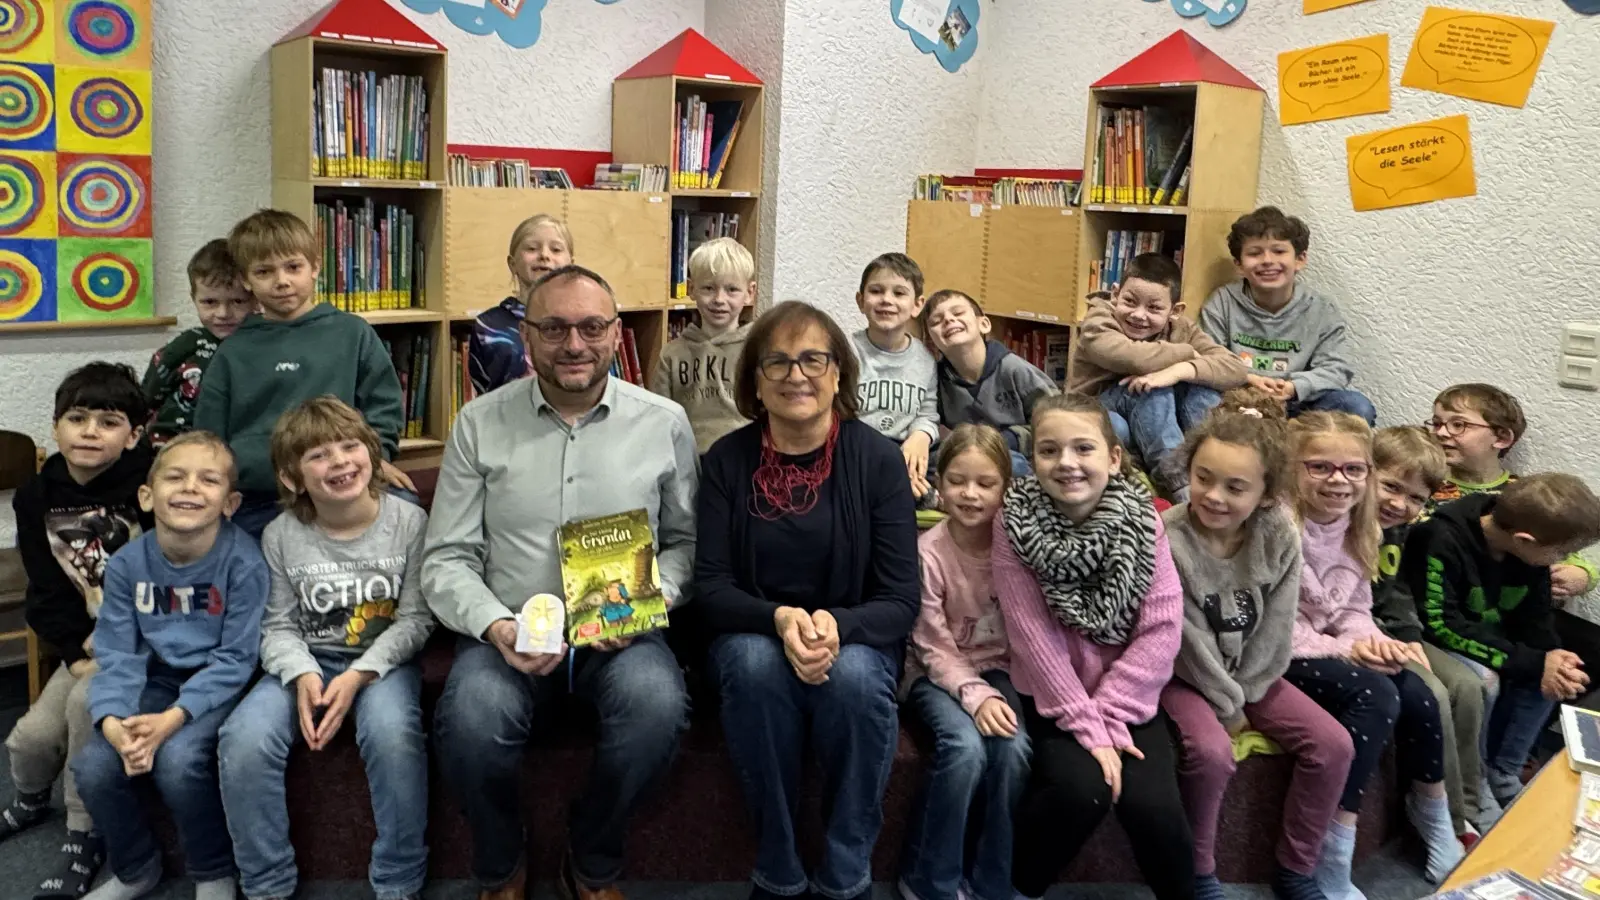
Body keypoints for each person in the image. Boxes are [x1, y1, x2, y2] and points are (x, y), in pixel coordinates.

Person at [423, 264, 698, 900]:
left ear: (617, 333)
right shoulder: (478, 423)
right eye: (553, 328)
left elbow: (687, 545)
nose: (574, 344)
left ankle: (592, 854)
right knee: (469, 720)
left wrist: (645, 603)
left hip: (622, 635)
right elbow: (446, 557)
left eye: (592, 327)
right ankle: (502, 862)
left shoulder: (664, 423)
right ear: (526, 334)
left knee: (657, 707)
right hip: (509, 631)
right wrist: (495, 625)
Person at [694, 300, 919, 900]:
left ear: (839, 373)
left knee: (855, 680)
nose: (797, 375)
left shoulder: (878, 461)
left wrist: (835, 626)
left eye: (813, 359)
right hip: (752, 633)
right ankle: (778, 868)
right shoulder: (725, 461)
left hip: (856, 635)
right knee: (753, 666)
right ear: (755, 382)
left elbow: (901, 599)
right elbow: (711, 588)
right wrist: (779, 618)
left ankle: (846, 874)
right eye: (778, 362)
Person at [218, 397, 434, 900]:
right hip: (305, 663)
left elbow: (417, 619)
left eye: (349, 446)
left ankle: (399, 880)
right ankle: (266, 884)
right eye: (318, 455)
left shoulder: (409, 523)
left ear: (371, 453)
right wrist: (302, 674)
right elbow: (276, 625)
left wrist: (360, 674)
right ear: (292, 477)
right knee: (242, 739)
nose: (339, 461)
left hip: (383, 664)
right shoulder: (279, 535)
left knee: (393, 733)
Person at [990, 392, 1193, 900]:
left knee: (1155, 809)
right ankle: (1017, 886)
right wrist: (1087, 726)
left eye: (1083, 448)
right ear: (1033, 459)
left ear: (1114, 458)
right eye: (1049, 450)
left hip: (1128, 696)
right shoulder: (1013, 523)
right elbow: (1033, 638)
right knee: (1080, 792)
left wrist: (1110, 715)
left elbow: (1162, 627)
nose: (1067, 463)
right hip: (1055, 696)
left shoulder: (1146, 522)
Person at [1157, 389, 1350, 900]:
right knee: (1211, 753)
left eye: (1235, 487)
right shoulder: (1168, 537)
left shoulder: (1278, 533)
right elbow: (1185, 639)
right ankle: (1198, 871)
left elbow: (1277, 626)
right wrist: (1228, 705)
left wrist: (1249, 690)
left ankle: (1296, 868)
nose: (1213, 496)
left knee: (1333, 745)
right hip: (1184, 678)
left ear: (1266, 494)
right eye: (1203, 478)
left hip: (1253, 674)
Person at [71, 432, 268, 900]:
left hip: (221, 681)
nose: (190, 488)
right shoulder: (126, 565)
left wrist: (173, 720)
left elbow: (237, 658)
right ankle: (136, 868)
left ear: (230, 503)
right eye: (175, 477)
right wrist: (113, 719)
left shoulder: (244, 562)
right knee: (94, 766)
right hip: (157, 677)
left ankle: (213, 871)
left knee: (179, 762)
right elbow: (117, 653)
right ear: (147, 495)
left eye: (209, 480)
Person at [1283, 413, 1461, 898]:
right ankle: (1335, 842)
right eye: (1320, 467)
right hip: (1279, 653)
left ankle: (1432, 811)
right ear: (1291, 467)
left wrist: (1372, 641)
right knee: (1377, 695)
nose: (1338, 481)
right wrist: (1353, 650)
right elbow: (1273, 628)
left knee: (1419, 693)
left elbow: (1355, 609)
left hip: (1329, 645)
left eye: (1353, 469)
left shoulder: (1360, 525)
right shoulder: (1278, 525)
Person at [5, 362, 152, 899]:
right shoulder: (35, 496)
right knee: (30, 739)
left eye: (109, 422)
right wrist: (73, 651)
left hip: (143, 643)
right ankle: (29, 801)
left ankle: (83, 832)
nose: (90, 432)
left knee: (83, 708)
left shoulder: (150, 484)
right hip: (84, 645)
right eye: (77, 418)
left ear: (134, 435)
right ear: (56, 426)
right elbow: (44, 589)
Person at [194, 208, 410, 540]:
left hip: (343, 483)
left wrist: (377, 456)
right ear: (246, 280)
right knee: (224, 543)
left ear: (315, 268)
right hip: (261, 496)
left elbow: (384, 406)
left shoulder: (352, 333)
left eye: (293, 267)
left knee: (407, 509)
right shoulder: (233, 351)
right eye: (264, 271)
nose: (282, 281)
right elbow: (209, 434)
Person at [1405, 474, 1600, 810]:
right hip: (1437, 636)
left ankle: (1505, 771)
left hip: (1489, 633)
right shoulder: (1439, 537)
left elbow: (1536, 617)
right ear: (1525, 540)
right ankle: (1477, 776)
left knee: (1557, 665)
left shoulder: (1529, 553)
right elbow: (1441, 625)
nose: (1562, 559)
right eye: (1563, 552)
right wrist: (1534, 662)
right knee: (1487, 681)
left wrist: (1552, 658)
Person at [899, 424, 1029, 900]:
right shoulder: (927, 553)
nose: (970, 494)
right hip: (931, 674)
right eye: (957, 480)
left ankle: (991, 881)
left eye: (985, 483)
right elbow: (931, 645)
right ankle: (927, 879)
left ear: (1005, 488)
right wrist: (976, 696)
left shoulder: (1015, 548)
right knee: (963, 749)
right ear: (938, 482)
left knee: (1013, 749)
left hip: (997, 670)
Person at [1370, 426, 1488, 843]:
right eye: (1390, 487)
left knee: (1469, 686)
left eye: (1416, 498)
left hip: (1393, 629)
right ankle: (1448, 822)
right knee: (1433, 692)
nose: (1399, 504)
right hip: (1360, 637)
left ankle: (1471, 803)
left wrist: (1409, 635)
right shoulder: (1340, 522)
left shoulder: (1398, 529)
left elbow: (1397, 589)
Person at [1068, 253, 1247, 501]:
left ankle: (1222, 467)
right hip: (1096, 410)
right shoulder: (1098, 321)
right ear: (1115, 294)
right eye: (1130, 301)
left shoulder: (1182, 328)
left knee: (1201, 390)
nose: (1139, 315)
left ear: (1175, 310)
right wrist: (1187, 354)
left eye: (1153, 308)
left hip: (1152, 421)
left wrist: (1178, 371)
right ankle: (1180, 487)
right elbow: (1134, 358)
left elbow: (1235, 368)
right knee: (1147, 388)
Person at [1199, 207, 1375, 425]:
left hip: (1297, 403)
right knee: (1198, 398)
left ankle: (1295, 440)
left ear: (1300, 259)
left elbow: (1336, 368)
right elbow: (1209, 359)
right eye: (1255, 253)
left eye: (1279, 251)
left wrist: (1294, 387)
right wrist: (1248, 380)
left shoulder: (1321, 310)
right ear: (1239, 265)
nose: (1267, 260)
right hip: (1239, 400)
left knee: (1356, 406)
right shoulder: (1221, 303)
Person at [1423, 383, 1596, 598]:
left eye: (1458, 424)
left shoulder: (1523, 492)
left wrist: (1583, 574)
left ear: (1501, 438)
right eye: (1437, 423)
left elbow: (1560, 540)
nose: (1440, 432)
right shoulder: (1422, 483)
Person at [922, 289, 1054, 475]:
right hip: (968, 453)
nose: (948, 320)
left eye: (958, 313)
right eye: (936, 321)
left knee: (1012, 464)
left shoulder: (1015, 370)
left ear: (983, 324)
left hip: (1019, 457)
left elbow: (1056, 421)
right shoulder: (934, 380)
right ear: (931, 340)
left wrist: (1011, 438)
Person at [142, 240, 257, 448]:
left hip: (231, 451)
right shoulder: (184, 347)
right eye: (210, 302)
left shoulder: (262, 348)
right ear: (194, 298)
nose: (223, 313)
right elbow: (144, 402)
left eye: (237, 301)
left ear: (256, 299)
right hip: (170, 449)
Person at [650, 236, 754, 452]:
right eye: (708, 288)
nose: (719, 299)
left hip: (743, 459)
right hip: (689, 458)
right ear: (691, 289)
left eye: (732, 289)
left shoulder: (757, 350)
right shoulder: (672, 354)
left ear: (749, 293)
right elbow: (659, 417)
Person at [849, 253, 939, 500]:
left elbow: (928, 414)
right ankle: (906, 491)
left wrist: (921, 436)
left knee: (946, 458)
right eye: (876, 291)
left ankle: (909, 488)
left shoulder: (926, 360)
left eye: (899, 293)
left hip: (906, 447)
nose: (887, 300)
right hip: (859, 447)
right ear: (860, 301)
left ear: (917, 305)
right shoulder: (846, 350)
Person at [470, 213, 574, 395]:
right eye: (532, 248)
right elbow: (482, 391)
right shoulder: (488, 326)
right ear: (513, 264)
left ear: (571, 265)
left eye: (556, 249)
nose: (544, 255)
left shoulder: (582, 321)